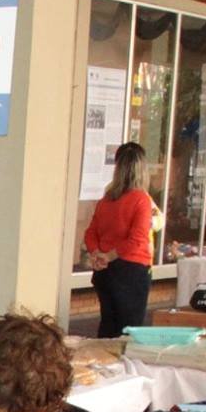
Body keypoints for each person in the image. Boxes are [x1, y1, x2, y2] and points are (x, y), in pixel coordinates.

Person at [82, 142, 155, 339]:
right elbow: (138, 239)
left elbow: (90, 232)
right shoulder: (141, 200)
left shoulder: (107, 199)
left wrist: (97, 253)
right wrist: (109, 256)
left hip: (106, 273)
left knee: (108, 326)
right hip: (131, 271)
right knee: (129, 332)